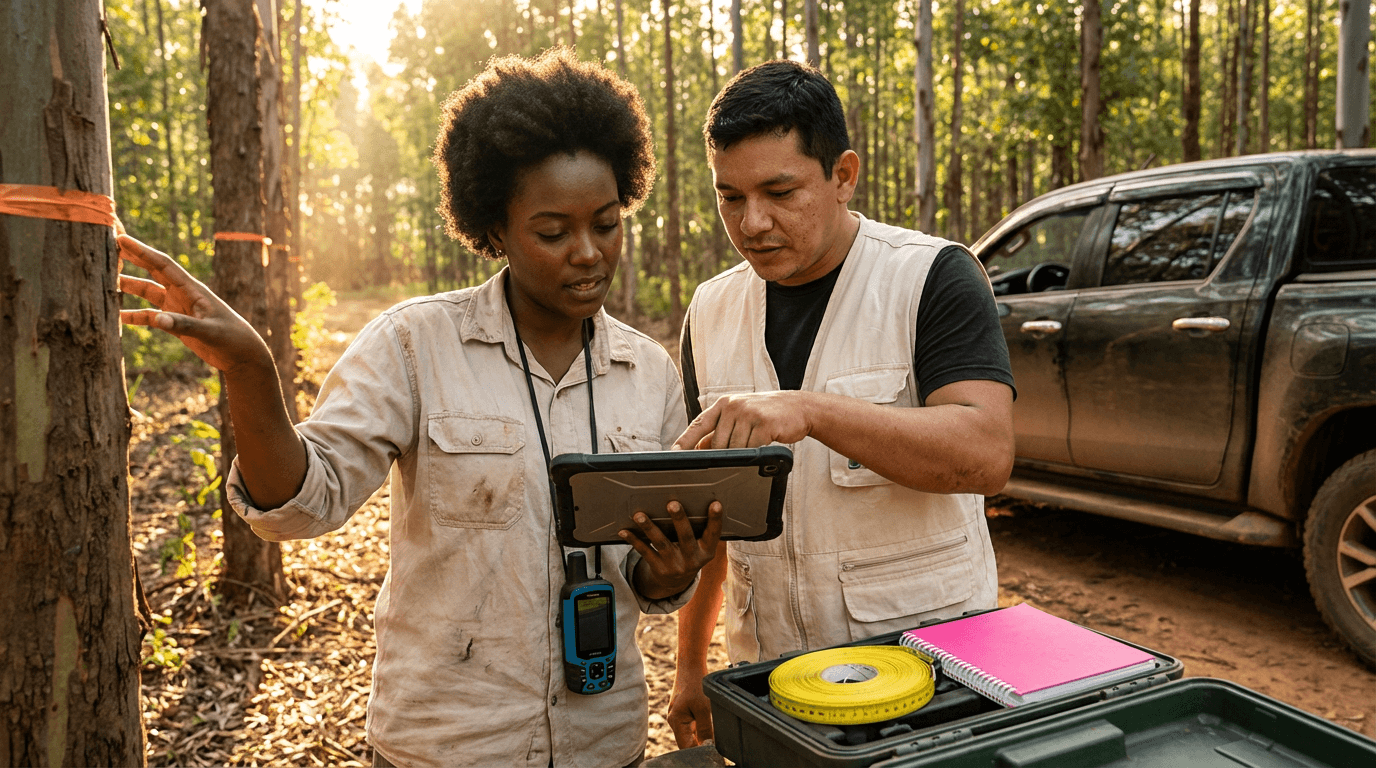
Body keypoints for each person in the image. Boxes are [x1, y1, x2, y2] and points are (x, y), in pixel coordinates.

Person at [119, 48, 722, 768]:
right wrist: (251, 371)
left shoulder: (647, 372)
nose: (588, 253)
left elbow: (643, 575)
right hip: (448, 743)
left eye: (607, 223)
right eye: (554, 232)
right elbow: (300, 504)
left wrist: (671, 569)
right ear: (495, 230)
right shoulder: (413, 346)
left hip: (602, 740)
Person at [666, 59, 1017, 749]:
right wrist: (688, 667)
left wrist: (817, 413)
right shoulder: (709, 311)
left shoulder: (931, 276)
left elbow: (986, 454)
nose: (753, 222)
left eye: (779, 190)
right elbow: (711, 510)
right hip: (775, 683)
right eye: (729, 197)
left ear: (844, 175)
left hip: (930, 683)